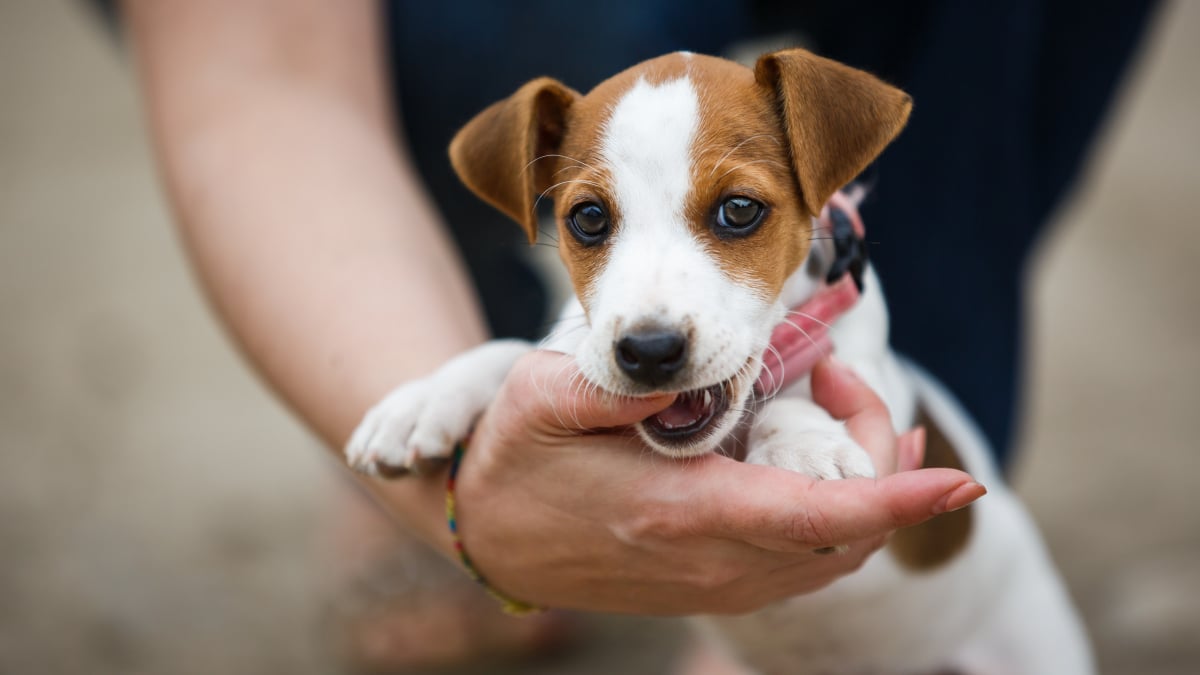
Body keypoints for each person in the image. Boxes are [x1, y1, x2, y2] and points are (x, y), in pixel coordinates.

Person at [116, 0, 1154, 669]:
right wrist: (465, 390)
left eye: (735, 214)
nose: (649, 315)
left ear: (826, 182)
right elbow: (543, 375)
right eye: (595, 223)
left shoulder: (847, 298)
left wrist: (794, 437)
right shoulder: (602, 288)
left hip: (983, 634)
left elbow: (836, 410)